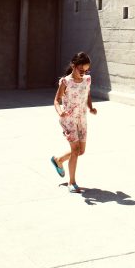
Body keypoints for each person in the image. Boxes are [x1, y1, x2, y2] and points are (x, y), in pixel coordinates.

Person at [50, 51, 97, 193]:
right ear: (73, 65)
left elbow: (87, 94)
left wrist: (90, 107)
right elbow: (56, 100)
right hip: (69, 119)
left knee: (81, 151)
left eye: (86, 70)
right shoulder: (66, 82)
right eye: (81, 69)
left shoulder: (87, 80)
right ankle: (72, 183)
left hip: (82, 119)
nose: (84, 72)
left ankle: (58, 160)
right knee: (75, 150)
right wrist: (60, 112)